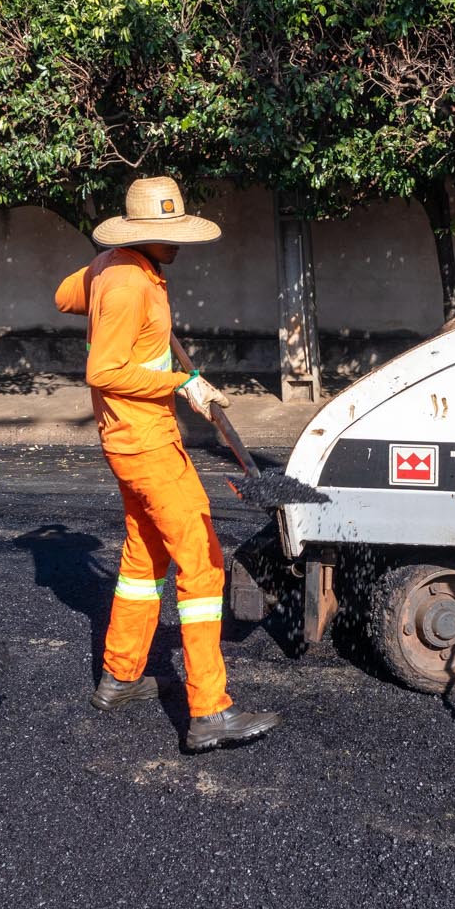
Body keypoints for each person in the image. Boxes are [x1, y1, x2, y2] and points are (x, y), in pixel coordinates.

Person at [53, 176, 279, 753]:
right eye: (168, 234)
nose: (179, 243)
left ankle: (120, 676)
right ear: (141, 235)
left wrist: (99, 273)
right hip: (146, 441)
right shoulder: (129, 282)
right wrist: (185, 383)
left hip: (126, 439)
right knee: (201, 565)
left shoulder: (116, 268)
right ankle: (208, 711)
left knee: (143, 557)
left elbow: (63, 297)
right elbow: (103, 371)